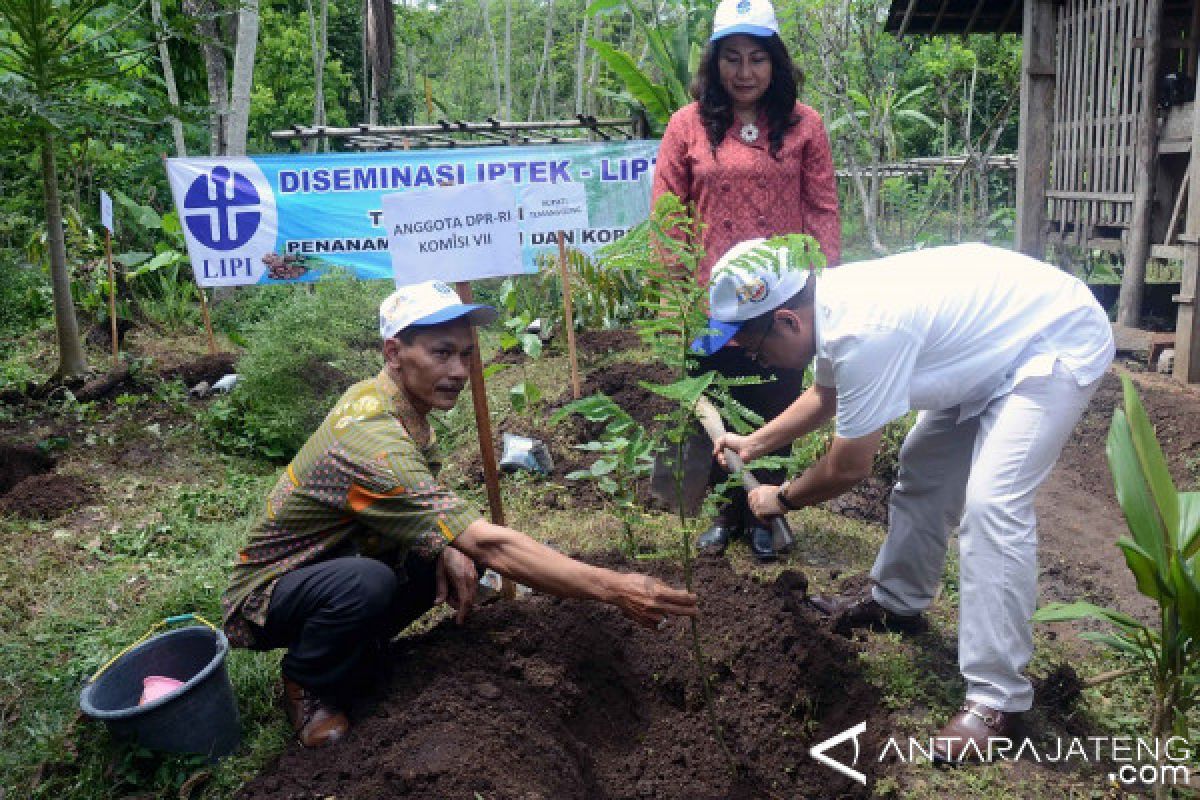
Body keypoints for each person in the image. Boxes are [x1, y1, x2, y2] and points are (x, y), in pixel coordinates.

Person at [221, 280, 698, 748]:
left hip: (338, 559)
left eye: (466, 354)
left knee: (439, 557)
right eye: (441, 353)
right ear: (393, 352)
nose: (459, 370)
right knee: (369, 583)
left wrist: (445, 544)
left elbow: (425, 505)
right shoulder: (370, 436)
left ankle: (359, 656)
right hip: (269, 593)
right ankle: (309, 685)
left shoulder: (396, 404)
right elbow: (490, 544)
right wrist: (615, 588)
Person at [702, 239, 1114, 761]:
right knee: (923, 468)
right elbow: (826, 396)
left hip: (1052, 339)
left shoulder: (863, 329)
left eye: (752, 343)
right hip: (985, 350)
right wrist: (753, 443)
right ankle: (897, 602)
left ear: (786, 321)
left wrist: (780, 497)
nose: (751, 354)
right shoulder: (828, 307)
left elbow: (849, 467)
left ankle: (997, 697)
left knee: (992, 505)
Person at [651, 0, 841, 561]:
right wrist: (674, 292)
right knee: (715, 399)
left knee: (778, 400)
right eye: (731, 58)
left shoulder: (805, 125)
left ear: (774, 63)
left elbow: (822, 210)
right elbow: (667, 209)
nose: (744, 71)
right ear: (714, 64)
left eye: (757, 58)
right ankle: (728, 509)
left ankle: (768, 510)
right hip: (712, 300)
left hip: (781, 299)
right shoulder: (687, 125)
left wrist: (820, 291)